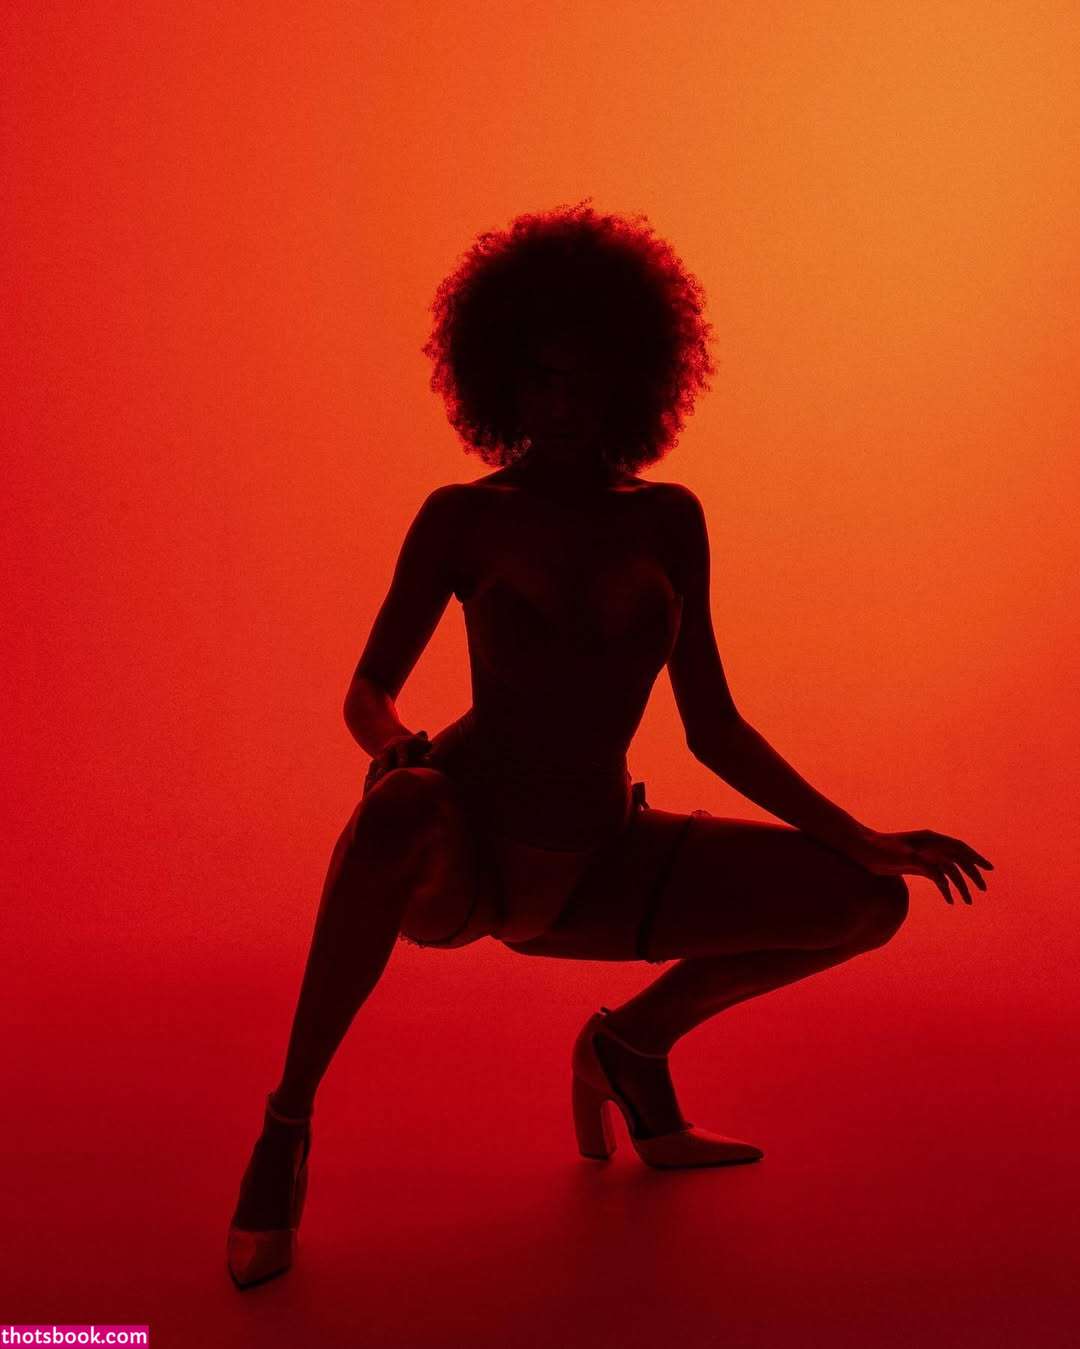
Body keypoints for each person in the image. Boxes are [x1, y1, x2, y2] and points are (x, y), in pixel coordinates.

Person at [226, 201, 994, 1289]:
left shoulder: (670, 518)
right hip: (473, 856)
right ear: (502, 382)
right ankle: (286, 1125)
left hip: (603, 857)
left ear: (631, 382)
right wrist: (393, 742)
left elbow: (713, 725)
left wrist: (861, 836)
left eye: (585, 380)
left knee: (868, 903)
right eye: (541, 378)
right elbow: (367, 690)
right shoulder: (461, 516)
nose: (562, 403)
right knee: (397, 809)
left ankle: (629, 1045)